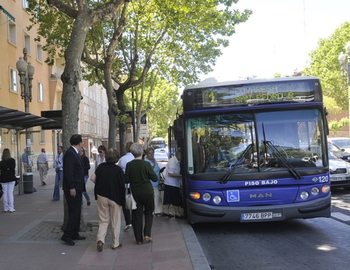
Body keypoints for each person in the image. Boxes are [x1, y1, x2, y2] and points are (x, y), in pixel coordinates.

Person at [90, 148, 125, 252]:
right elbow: (122, 185)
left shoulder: (101, 167)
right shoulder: (118, 170)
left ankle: (100, 240)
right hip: (115, 198)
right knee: (115, 221)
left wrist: (101, 184)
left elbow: (92, 178)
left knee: (103, 220)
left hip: (102, 196)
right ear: (116, 158)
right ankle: (115, 243)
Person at [125, 143, 158, 245]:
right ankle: (147, 234)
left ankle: (138, 239)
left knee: (137, 215)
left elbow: (126, 179)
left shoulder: (129, 165)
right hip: (147, 191)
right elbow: (155, 178)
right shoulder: (146, 164)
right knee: (149, 212)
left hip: (135, 193)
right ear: (141, 152)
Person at [61, 134, 86, 246]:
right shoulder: (70, 153)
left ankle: (74, 233)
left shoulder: (73, 153)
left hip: (77, 187)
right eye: (82, 143)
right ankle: (67, 234)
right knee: (75, 211)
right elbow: (69, 172)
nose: (82, 145)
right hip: (73, 188)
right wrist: (72, 187)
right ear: (79, 143)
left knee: (75, 211)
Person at [163, 148, 185, 219]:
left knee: (169, 198)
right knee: (176, 199)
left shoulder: (177, 161)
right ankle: (177, 213)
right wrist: (180, 176)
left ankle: (166, 211)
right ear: (178, 155)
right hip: (171, 183)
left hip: (173, 183)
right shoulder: (173, 161)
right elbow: (170, 173)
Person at [117, 141, 134, 231]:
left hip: (125, 184)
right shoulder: (136, 158)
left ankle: (128, 221)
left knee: (125, 203)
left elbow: (119, 171)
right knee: (135, 202)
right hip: (135, 184)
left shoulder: (122, 159)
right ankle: (135, 220)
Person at [144, 147, 164, 216]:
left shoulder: (154, 160)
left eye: (152, 153)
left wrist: (161, 170)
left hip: (156, 182)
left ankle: (156, 210)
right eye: (150, 153)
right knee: (154, 197)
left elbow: (157, 170)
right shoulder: (145, 162)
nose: (152, 155)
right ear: (146, 154)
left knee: (157, 197)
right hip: (150, 182)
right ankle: (155, 211)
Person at [0, 148, 16, 213]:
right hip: (11, 178)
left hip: (3, 179)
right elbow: (13, 169)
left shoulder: (1, 162)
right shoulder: (13, 161)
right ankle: (11, 207)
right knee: (10, 193)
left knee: (5, 193)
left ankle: (5, 207)